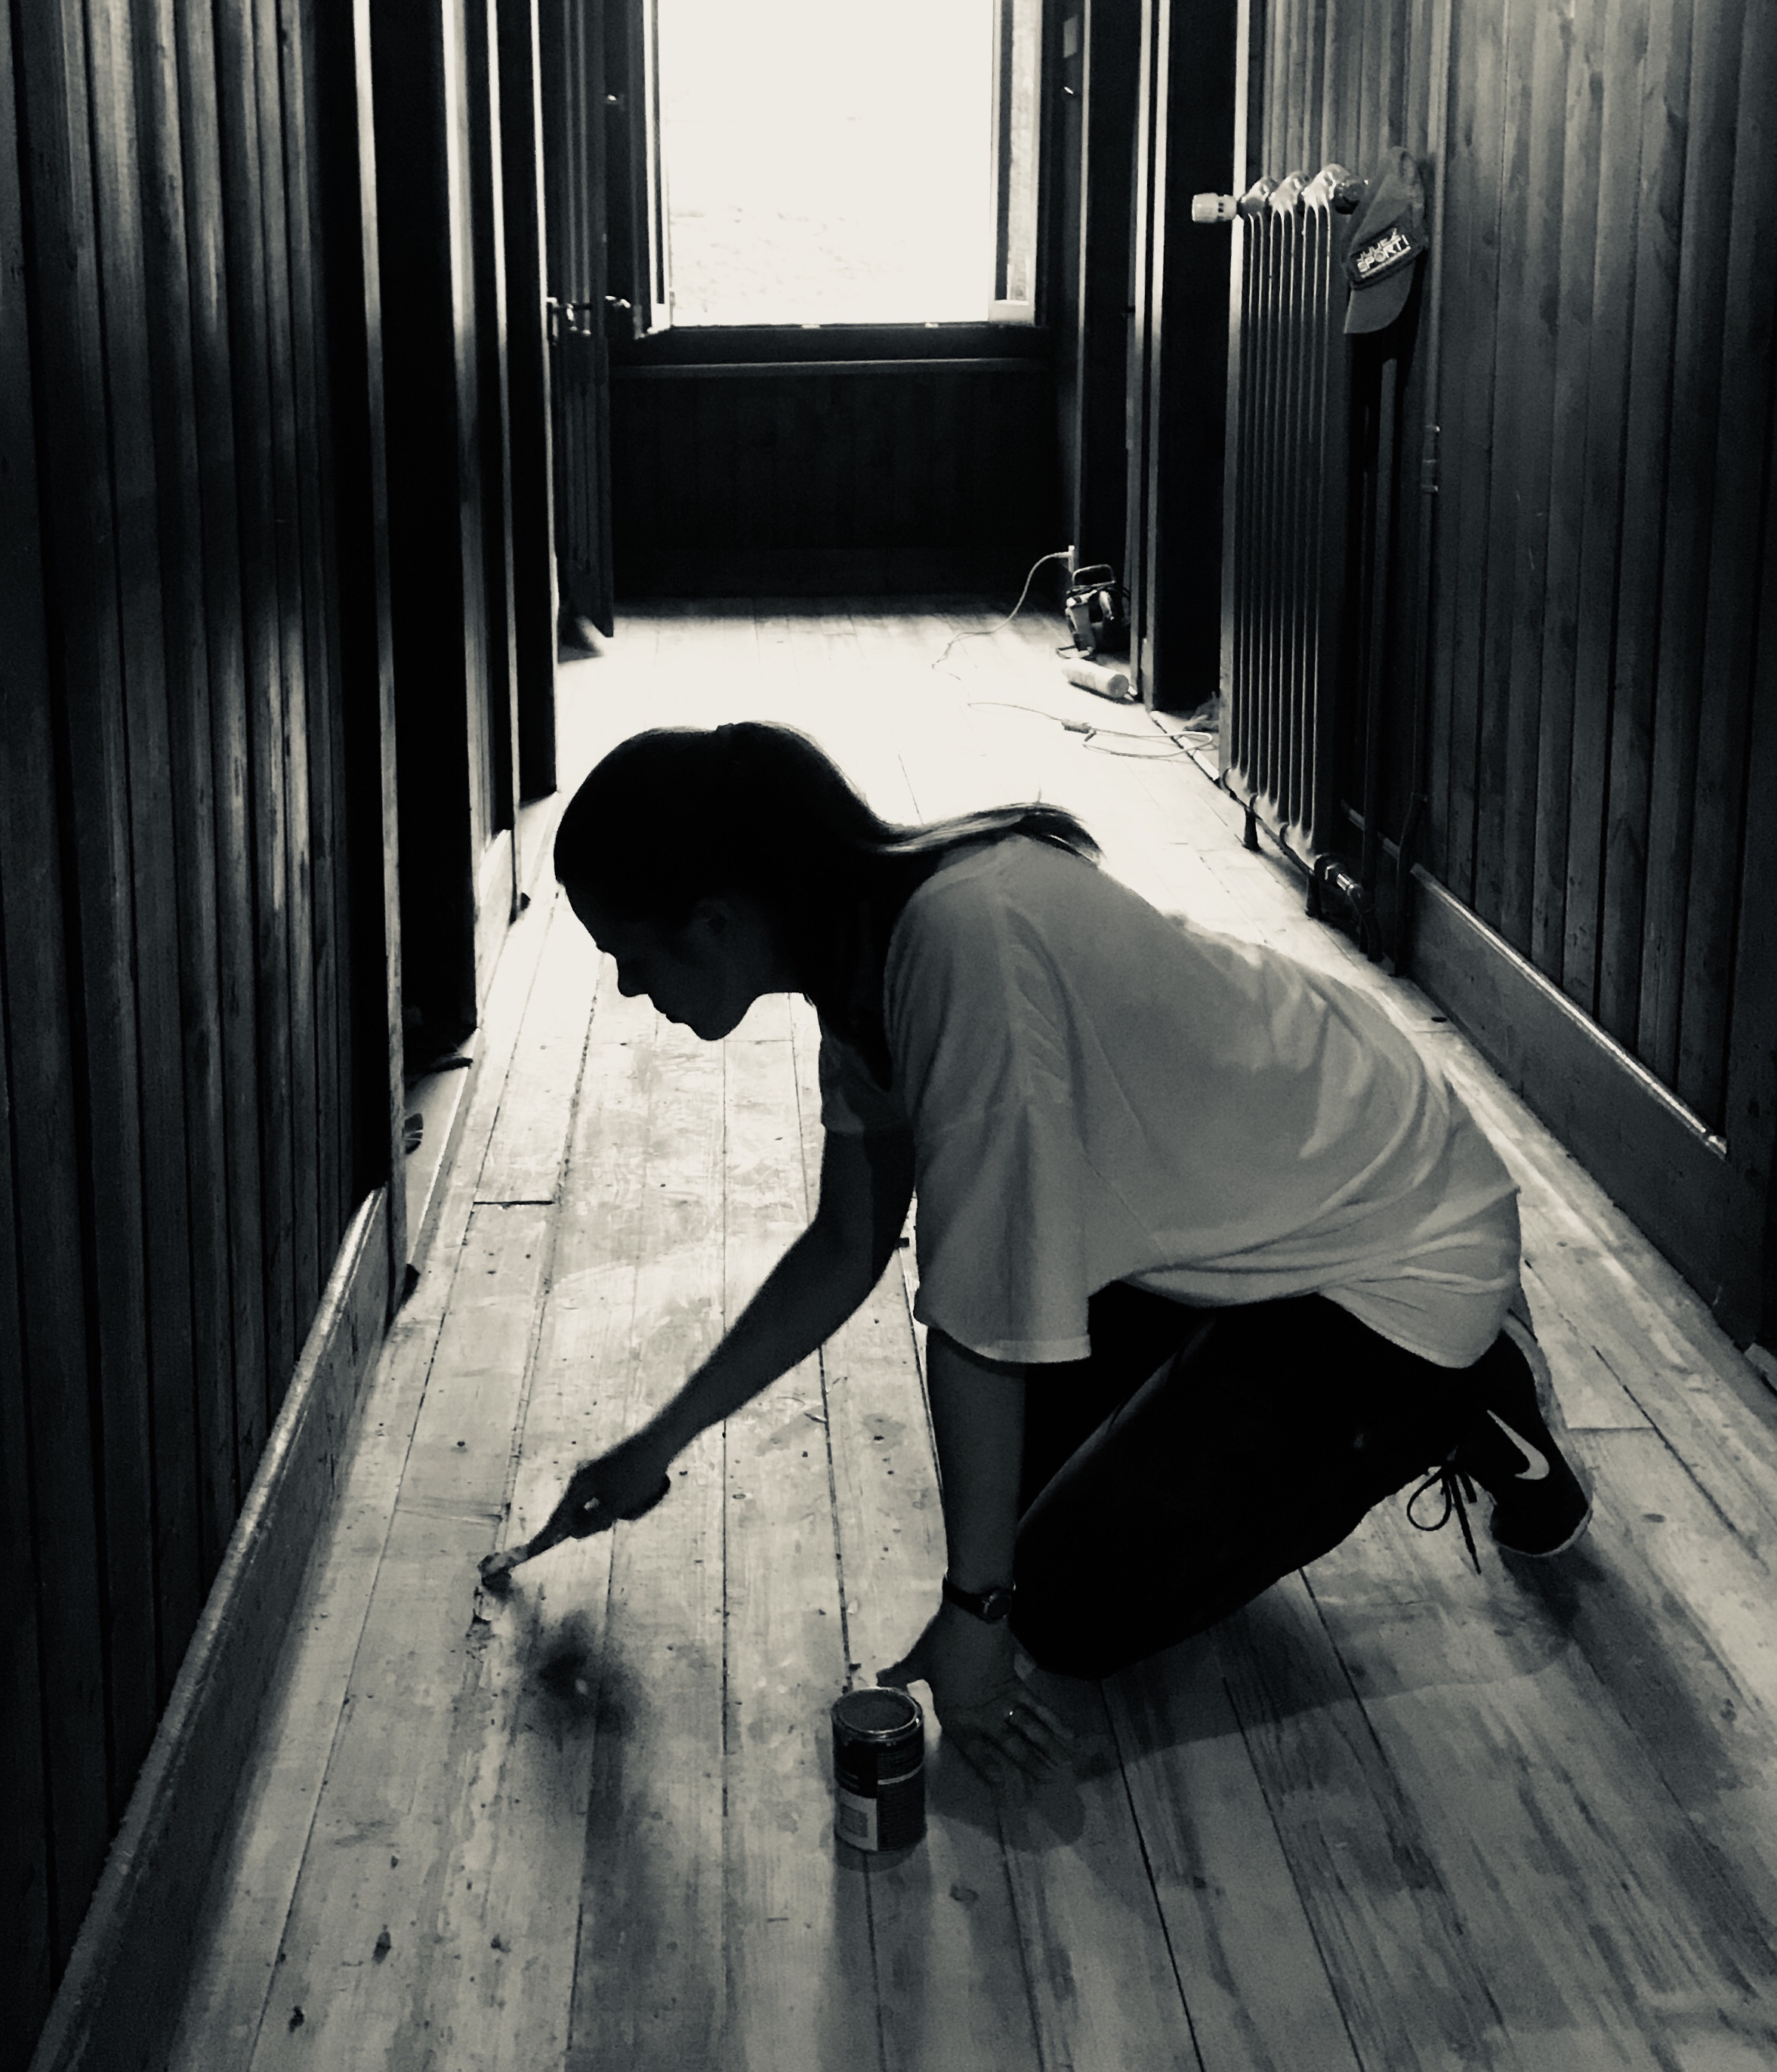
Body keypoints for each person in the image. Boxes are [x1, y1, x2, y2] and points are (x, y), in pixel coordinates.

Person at [532, 720, 1591, 1793]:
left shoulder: (961, 950)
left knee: (1066, 1606)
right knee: (1016, 1498)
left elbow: (982, 1324)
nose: (628, 987)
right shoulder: (863, 957)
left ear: (714, 921)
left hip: (1395, 1247)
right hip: (1269, 1199)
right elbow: (847, 1245)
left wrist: (974, 1622)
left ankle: (1464, 1390)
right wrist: (655, 1443)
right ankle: (1267, 1388)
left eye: (629, 955)